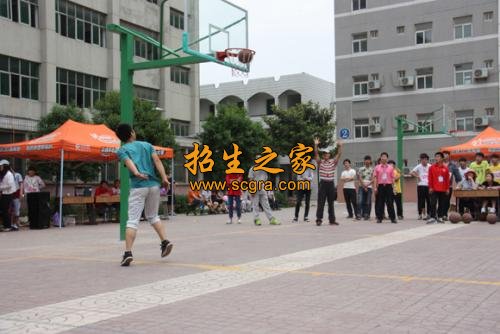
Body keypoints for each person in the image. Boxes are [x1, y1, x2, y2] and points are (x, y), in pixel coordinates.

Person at [115, 123, 173, 267]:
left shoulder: (122, 150)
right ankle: (165, 241)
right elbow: (157, 161)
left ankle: (128, 253)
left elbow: (129, 163)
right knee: (153, 216)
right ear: (132, 133)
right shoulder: (147, 145)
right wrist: (165, 178)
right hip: (154, 185)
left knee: (132, 220)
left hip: (138, 186)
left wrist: (136, 173)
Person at [313, 137, 342, 226]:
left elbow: (339, 154)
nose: (326, 155)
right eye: (325, 154)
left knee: (331, 203)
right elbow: (316, 154)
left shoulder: (333, 162)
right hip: (323, 183)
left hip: (330, 184)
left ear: (329, 155)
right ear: (323, 156)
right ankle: (318, 219)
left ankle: (332, 220)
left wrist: (340, 146)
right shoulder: (320, 162)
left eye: (327, 154)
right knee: (321, 202)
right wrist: (316, 145)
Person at [248, 156, 280, 226]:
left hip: (263, 189)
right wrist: (252, 190)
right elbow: (250, 180)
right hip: (255, 189)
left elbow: (265, 180)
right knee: (255, 205)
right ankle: (256, 219)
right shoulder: (252, 169)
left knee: (266, 205)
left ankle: (271, 219)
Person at [372, 152, 397, 224]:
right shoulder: (377, 167)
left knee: (390, 202)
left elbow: (393, 178)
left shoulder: (390, 167)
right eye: (382, 156)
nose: (383, 158)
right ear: (380, 158)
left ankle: (393, 218)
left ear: (387, 158)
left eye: (385, 156)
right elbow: (375, 178)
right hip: (380, 186)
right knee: (380, 203)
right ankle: (379, 218)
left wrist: (394, 187)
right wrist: (375, 187)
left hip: (389, 186)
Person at [427, 152, 450, 224]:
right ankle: (433, 217)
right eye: (435, 156)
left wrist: (447, 189)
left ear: (442, 158)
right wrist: (430, 187)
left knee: (441, 204)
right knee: (433, 203)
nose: (436, 158)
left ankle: (440, 217)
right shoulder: (432, 167)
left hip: (443, 189)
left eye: (438, 157)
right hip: (434, 189)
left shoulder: (445, 168)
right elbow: (430, 178)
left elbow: (447, 179)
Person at [442, 150, 462, 221]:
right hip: (438, 186)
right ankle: (439, 214)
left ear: (449, 156)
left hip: (448, 186)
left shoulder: (453, 165)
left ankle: (444, 214)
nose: (445, 156)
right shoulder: (438, 164)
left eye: (446, 154)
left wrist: (458, 185)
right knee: (439, 201)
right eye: (443, 154)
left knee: (446, 201)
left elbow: (458, 177)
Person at [411, 153, 431, 220]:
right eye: (422, 159)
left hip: (428, 185)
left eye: (425, 159)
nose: (423, 161)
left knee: (429, 200)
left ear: (427, 160)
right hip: (421, 185)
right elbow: (411, 172)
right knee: (421, 200)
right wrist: (417, 176)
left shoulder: (430, 166)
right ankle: (420, 214)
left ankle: (428, 214)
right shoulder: (418, 166)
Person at [0, 160, 17, 232]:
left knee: (6, 211)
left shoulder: (9, 174)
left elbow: (10, 185)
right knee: (3, 210)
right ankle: (5, 225)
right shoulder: (3, 174)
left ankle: (8, 226)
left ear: (5, 166)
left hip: (8, 194)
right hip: (3, 194)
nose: (0, 167)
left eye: (1, 166)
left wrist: (1, 188)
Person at [357, 155, 373, 220]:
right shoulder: (361, 169)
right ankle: (359, 214)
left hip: (369, 186)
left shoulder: (372, 169)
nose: (367, 161)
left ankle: (367, 214)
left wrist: (367, 185)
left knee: (368, 201)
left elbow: (373, 179)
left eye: (368, 160)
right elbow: (359, 178)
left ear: (370, 161)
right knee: (360, 200)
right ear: (364, 161)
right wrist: (364, 185)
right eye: (366, 160)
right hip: (361, 186)